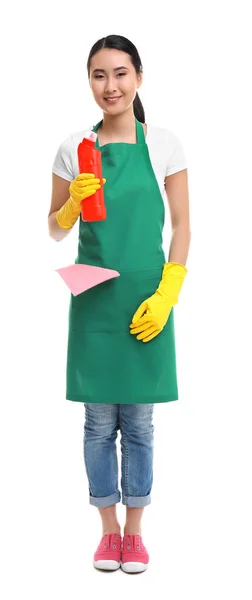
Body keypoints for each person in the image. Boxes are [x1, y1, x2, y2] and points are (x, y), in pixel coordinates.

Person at [48, 34, 191, 574]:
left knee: (141, 425)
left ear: (138, 77)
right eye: (99, 75)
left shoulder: (165, 145)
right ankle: (107, 532)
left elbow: (182, 226)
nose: (110, 85)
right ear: (89, 81)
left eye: (120, 73)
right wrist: (70, 209)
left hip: (146, 293)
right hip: (92, 293)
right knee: (96, 423)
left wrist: (169, 290)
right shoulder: (71, 147)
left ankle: (136, 531)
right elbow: (53, 230)